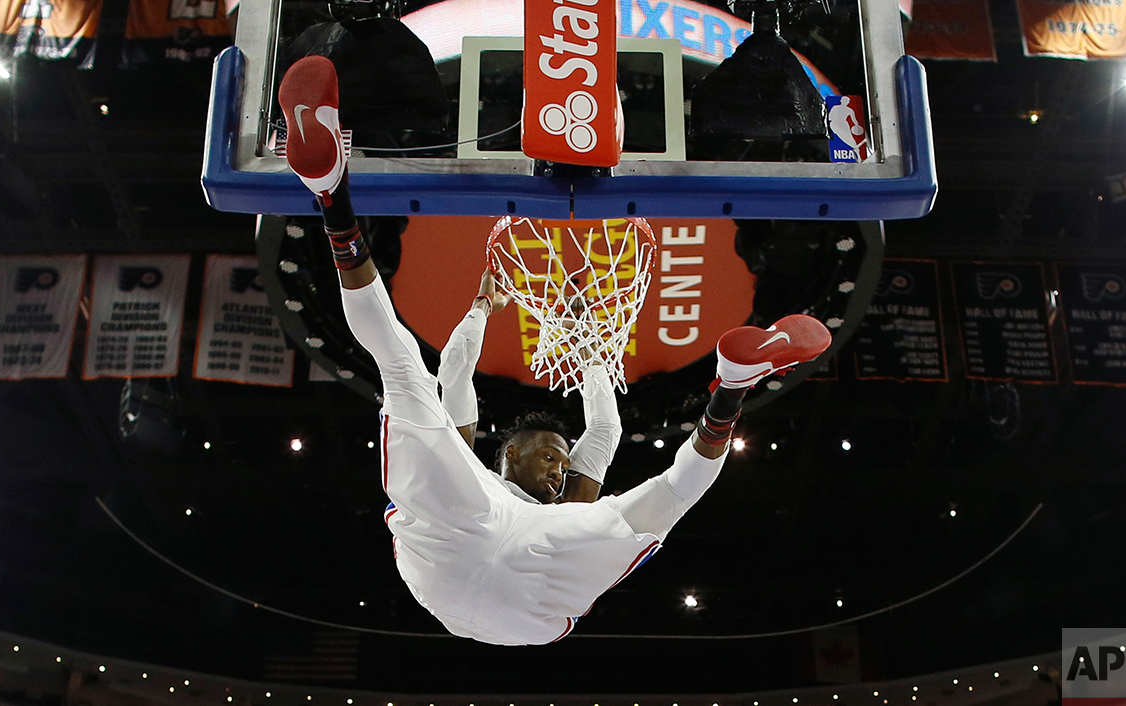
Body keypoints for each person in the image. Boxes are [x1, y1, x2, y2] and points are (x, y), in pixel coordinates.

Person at [278, 56, 833, 645]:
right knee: (664, 503)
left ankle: (331, 199)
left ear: (512, 451)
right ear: (508, 454)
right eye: (553, 459)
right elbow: (584, 429)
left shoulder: (494, 467)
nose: (562, 466)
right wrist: (575, 343)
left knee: (401, 368)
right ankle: (731, 389)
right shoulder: (493, 472)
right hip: (524, 588)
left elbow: (593, 428)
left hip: (459, 561)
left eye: (555, 457)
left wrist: (580, 351)